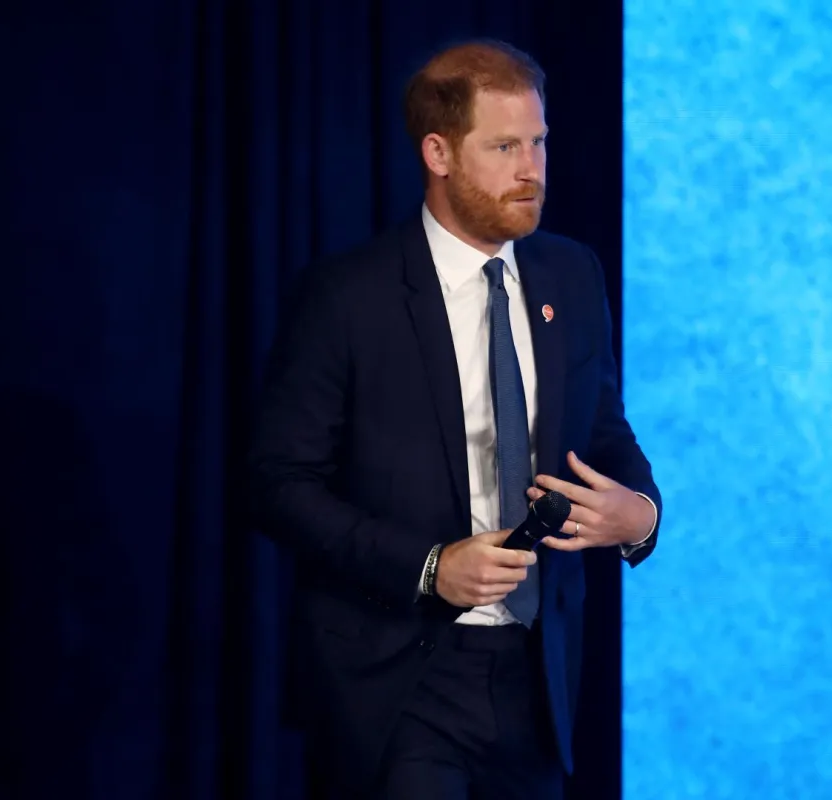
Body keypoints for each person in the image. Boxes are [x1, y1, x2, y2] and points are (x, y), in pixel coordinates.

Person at [247, 39, 663, 799]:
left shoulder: (570, 274)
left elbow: (604, 432)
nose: (531, 168)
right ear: (438, 153)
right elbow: (277, 485)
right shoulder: (349, 296)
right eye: (504, 146)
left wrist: (639, 515)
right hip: (400, 681)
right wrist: (432, 567)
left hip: (538, 679)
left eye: (538, 142)